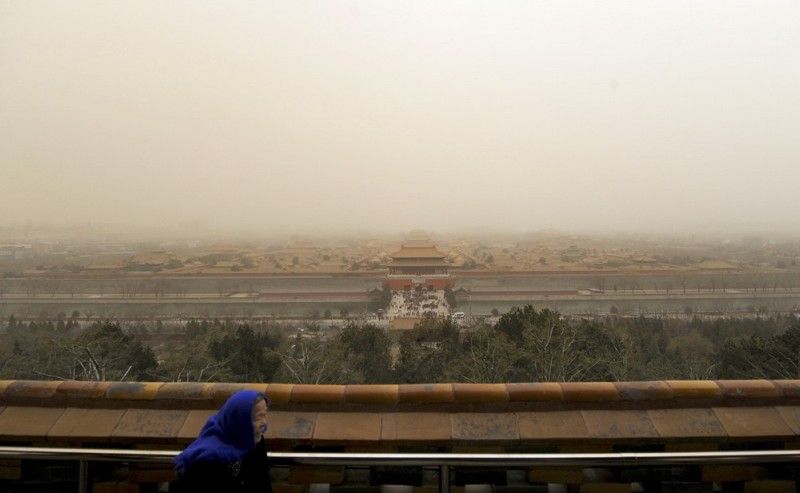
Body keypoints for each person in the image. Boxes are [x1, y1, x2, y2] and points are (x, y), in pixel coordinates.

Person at [172, 390, 271, 493]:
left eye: (264, 415)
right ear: (238, 420)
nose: (264, 423)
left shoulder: (253, 441)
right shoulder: (207, 459)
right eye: (256, 418)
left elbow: (263, 483)